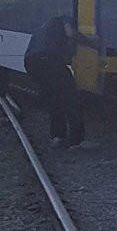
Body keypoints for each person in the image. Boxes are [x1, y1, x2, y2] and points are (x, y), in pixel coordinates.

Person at [24, 16, 96, 150]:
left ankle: (57, 137)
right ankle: (77, 141)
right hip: (48, 59)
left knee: (54, 98)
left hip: (30, 62)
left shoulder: (46, 26)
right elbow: (71, 33)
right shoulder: (64, 19)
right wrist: (92, 42)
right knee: (71, 98)